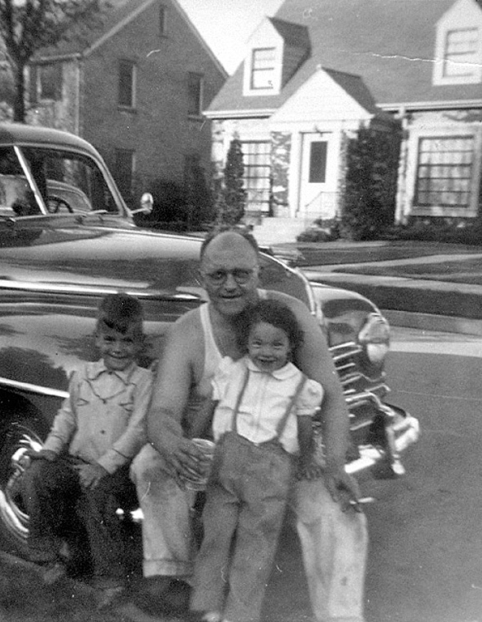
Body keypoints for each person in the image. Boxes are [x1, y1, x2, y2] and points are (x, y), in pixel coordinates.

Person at [130, 227, 369, 622]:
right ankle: (182, 584)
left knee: (339, 511)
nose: (229, 286)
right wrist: (176, 447)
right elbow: (161, 414)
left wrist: (335, 465)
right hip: (219, 462)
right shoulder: (191, 330)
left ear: (260, 272)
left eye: (241, 274)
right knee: (150, 466)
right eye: (217, 275)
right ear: (200, 276)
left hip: (287, 460)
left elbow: (332, 396)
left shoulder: (290, 316)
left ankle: (340, 615)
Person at [190, 299, 324, 622]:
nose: (266, 352)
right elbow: (210, 406)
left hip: (271, 471)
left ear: (291, 345)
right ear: (246, 343)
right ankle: (208, 606)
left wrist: (306, 459)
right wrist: (192, 440)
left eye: (277, 344)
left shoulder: (300, 386)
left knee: (256, 546)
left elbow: (304, 428)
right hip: (227, 464)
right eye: (258, 343)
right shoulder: (232, 371)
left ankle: (240, 614)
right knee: (215, 536)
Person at [21, 293, 153, 608]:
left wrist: (104, 466)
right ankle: (49, 554)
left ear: (139, 343)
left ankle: (110, 578)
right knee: (40, 476)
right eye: (110, 339)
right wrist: (51, 449)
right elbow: (67, 418)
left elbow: (138, 431)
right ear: (97, 338)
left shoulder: (144, 381)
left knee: (97, 498)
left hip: (117, 470)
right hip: (78, 460)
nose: (118, 348)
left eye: (127, 340)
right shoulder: (82, 376)